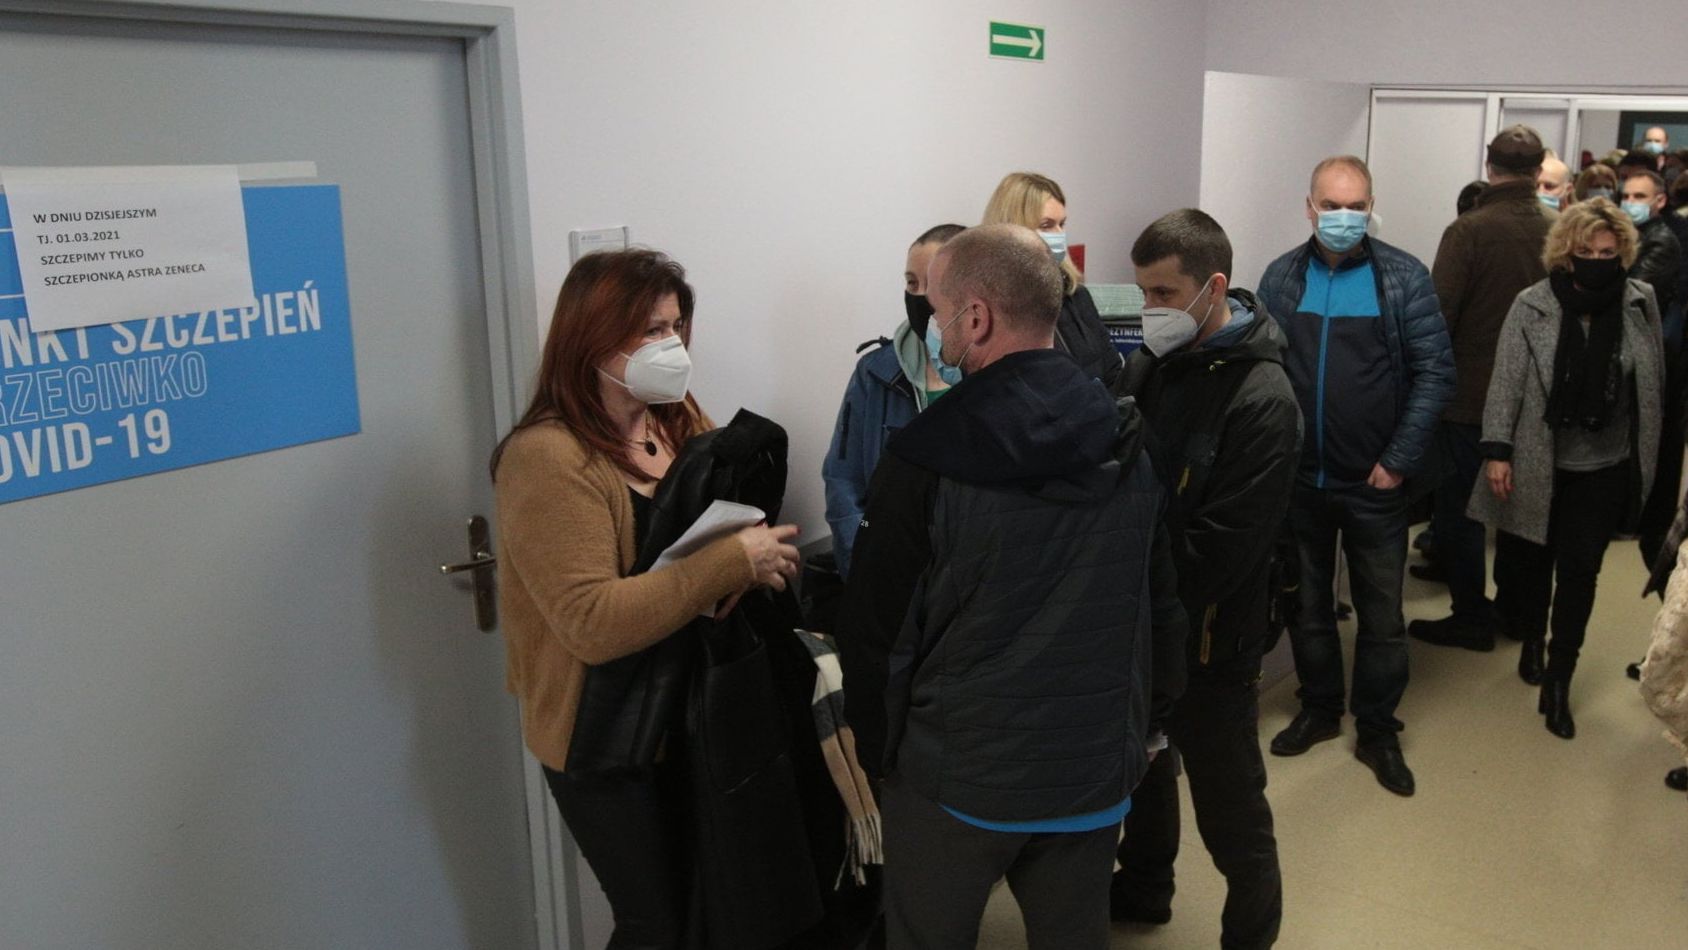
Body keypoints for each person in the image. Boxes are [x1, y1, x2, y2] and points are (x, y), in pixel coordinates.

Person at [837, 224, 1187, 950]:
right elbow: (1160, 607)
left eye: (937, 310)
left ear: (975, 317)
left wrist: (882, 757)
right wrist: (1148, 727)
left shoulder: (925, 459)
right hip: (1092, 768)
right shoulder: (1130, 441)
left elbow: (878, 633)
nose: (932, 327)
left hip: (959, 780)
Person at [490, 248, 802, 947]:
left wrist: (742, 571)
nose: (671, 346)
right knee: (655, 925)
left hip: (685, 708)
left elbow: (702, 541)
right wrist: (727, 564)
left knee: (708, 912)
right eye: (650, 330)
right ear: (591, 337)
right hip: (605, 733)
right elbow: (591, 623)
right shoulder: (548, 457)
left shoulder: (674, 417)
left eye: (675, 327)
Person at [1110, 209, 1299, 947]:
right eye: (1143, 293)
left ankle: (1249, 935)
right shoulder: (1151, 367)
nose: (1150, 310)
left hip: (1213, 641)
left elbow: (1224, 549)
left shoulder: (1263, 398)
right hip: (1147, 623)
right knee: (1145, 777)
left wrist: (1142, 590)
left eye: (1163, 294)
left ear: (1212, 288)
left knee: (1231, 810)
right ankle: (1144, 888)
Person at [1258, 157, 1456, 796]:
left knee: (1382, 618)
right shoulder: (1281, 277)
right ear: (1309, 206)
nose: (1344, 217)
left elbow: (1436, 374)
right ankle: (1320, 710)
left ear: (1371, 207)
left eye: (1356, 205)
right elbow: (1263, 369)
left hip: (1375, 485)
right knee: (1308, 607)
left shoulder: (1402, 277)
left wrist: (1397, 461)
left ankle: (1376, 730)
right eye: (1332, 205)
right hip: (1300, 482)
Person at [1468, 199, 1664, 739]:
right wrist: (1498, 451)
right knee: (1533, 563)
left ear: (1622, 253)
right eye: (1586, 253)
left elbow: (1651, 386)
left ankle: (1559, 677)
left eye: (1607, 253)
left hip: (1605, 464)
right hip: (1540, 459)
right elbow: (1506, 381)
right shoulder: (1532, 304)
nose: (1598, 262)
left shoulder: (1639, 301)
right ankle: (1532, 638)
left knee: (1581, 572)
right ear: (1565, 253)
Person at [1415, 125, 1556, 651]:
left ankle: (1471, 616)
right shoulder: (1559, 229)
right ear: (1539, 170)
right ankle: (1518, 616)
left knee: (1460, 514)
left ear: (1488, 165)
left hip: (1471, 399)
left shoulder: (1468, 231)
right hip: (1537, 401)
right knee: (1524, 513)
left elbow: (1438, 318)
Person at [823, 223, 964, 579]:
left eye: (933, 284)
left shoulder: (995, 375)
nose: (919, 296)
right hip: (886, 577)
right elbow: (843, 480)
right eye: (912, 283)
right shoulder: (875, 373)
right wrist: (865, 565)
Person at [981, 171, 1124, 388]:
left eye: (1062, 224)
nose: (1059, 234)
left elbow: (1112, 370)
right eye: (1046, 225)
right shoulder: (990, 307)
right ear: (1012, 229)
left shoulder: (1076, 294)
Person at [1621, 170, 1686, 576]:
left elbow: (1631, 289)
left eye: (1639, 196)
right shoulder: (1639, 235)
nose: (1630, 202)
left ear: (1659, 200)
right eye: (1626, 195)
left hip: (1660, 356)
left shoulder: (1660, 241)